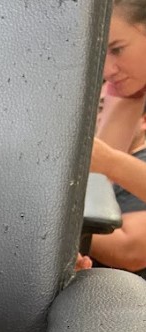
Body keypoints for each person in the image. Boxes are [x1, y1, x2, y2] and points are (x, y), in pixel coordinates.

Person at [91, 0, 146, 205]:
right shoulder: (130, 83)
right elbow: (95, 183)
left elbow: (103, 161)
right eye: (100, 55)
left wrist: (111, 163)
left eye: (117, 50)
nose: (107, 71)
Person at [91, 104, 146, 275]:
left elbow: (130, 250)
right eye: (99, 109)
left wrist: (61, 227)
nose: (102, 117)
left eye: (104, 108)